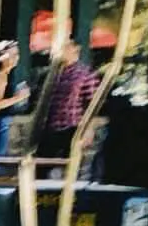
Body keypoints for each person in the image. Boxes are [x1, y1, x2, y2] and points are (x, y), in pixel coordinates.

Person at [36, 36, 101, 165]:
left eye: (65, 47)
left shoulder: (86, 74)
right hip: (50, 127)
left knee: (70, 167)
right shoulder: (52, 74)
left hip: (72, 127)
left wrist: (89, 129)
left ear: (75, 49)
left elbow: (92, 104)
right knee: (42, 167)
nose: (61, 51)